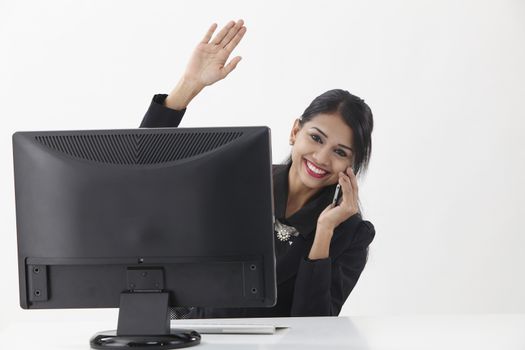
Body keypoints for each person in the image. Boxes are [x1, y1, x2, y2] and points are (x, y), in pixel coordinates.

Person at [140, 20, 375, 318]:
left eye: (340, 152)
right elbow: (143, 175)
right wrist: (189, 85)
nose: (321, 157)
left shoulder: (351, 234)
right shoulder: (241, 180)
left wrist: (324, 233)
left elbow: (315, 328)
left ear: (351, 165)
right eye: (316, 138)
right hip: (192, 336)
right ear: (295, 132)